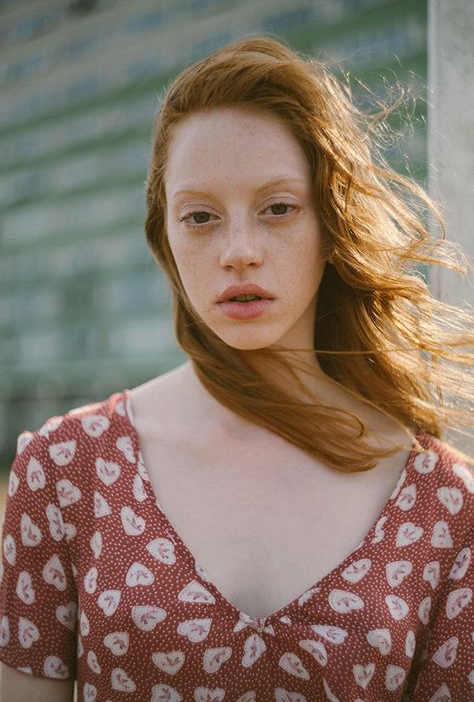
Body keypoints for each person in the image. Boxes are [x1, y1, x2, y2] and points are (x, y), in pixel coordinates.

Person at [0, 35, 473, 702]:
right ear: (165, 233)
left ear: (330, 224)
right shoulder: (65, 468)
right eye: (201, 217)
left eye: (278, 208)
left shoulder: (445, 504)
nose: (239, 251)